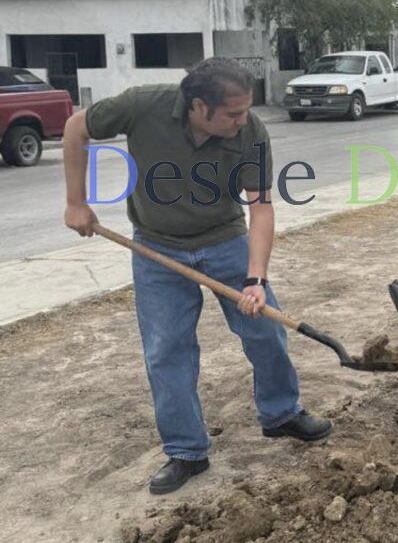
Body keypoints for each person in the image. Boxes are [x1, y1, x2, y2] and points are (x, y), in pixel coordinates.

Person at [62, 58, 331, 495]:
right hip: (155, 246)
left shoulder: (250, 132)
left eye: (246, 110)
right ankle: (187, 450)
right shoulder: (142, 105)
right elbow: (76, 128)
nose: (243, 120)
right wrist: (76, 201)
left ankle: (281, 413)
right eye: (233, 113)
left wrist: (255, 279)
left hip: (224, 239)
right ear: (197, 106)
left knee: (265, 328)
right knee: (167, 349)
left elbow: (261, 206)